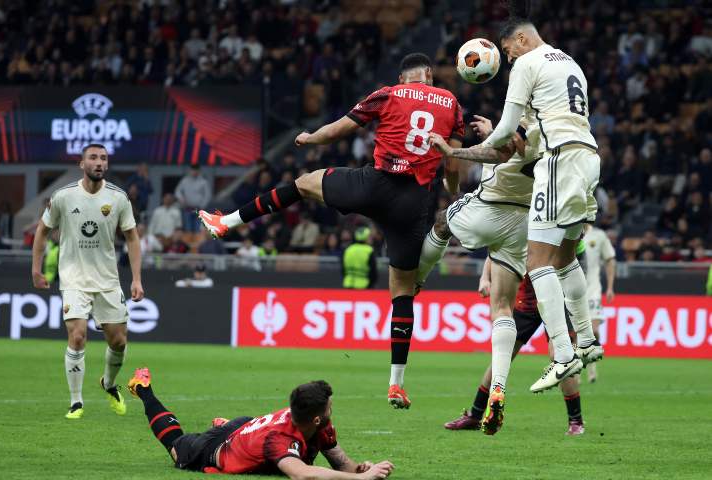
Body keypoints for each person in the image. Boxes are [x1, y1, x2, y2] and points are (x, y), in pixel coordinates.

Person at [198, 53, 464, 409]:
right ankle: (396, 384)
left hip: (374, 185)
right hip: (413, 203)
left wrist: (310, 138)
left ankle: (227, 221)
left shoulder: (389, 93)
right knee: (402, 292)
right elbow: (452, 164)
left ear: (404, 78)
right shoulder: (451, 103)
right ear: (429, 74)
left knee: (303, 184)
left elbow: (340, 128)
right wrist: (452, 190)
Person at [479, 1, 603, 392]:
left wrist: (470, 150)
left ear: (521, 38)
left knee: (537, 262)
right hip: (588, 158)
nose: (508, 59)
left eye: (507, 50)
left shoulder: (527, 63)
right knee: (565, 259)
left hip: (559, 160)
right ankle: (587, 341)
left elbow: (505, 129)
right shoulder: (570, 62)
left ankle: (563, 355)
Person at [422, 113, 536, 434]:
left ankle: (416, 278)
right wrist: (492, 132)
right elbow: (514, 147)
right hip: (522, 221)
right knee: (502, 310)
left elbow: (500, 153)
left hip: (492, 205)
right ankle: (496, 390)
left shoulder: (528, 120)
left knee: (443, 220)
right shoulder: (554, 134)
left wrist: (451, 150)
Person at [31, 143, 144, 419]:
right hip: (74, 278)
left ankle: (109, 383)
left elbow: (132, 238)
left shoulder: (118, 198)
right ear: (82, 164)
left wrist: (136, 279)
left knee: (119, 342)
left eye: (103, 158)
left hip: (107, 280)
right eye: (93, 157)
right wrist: (36, 269)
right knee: (77, 335)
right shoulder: (63, 196)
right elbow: (42, 230)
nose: (99, 162)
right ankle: (76, 402)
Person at [127, 368, 395, 478]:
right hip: (211, 449)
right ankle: (143, 387)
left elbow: (342, 463)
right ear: (316, 418)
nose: (331, 410)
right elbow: (302, 474)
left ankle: (231, 429)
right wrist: (362, 478)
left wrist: (360, 469)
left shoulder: (318, 423)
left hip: (247, 429)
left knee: (247, 436)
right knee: (176, 445)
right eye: (329, 407)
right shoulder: (279, 439)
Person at [444, 259, 585, 436]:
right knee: (502, 355)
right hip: (527, 301)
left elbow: (572, 258)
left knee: (559, 356)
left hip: (557, 299)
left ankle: (576, 421)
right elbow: (494, 250)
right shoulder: (521, 239)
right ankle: (475, 415)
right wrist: (485, 278)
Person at [581, 225, 615, 383]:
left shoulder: (599, 236)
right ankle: (575, 370)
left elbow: (610, 259)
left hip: (593, 289)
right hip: (573, 290)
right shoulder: (568, 231)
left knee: (594, 331)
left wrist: (610, 287)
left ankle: (592, 365)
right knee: (575, 334)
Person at [176, 164, 211, 232]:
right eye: (193, 170)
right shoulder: (185, 181)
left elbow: (207, 196)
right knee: (187, 229)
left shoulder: (203, 182)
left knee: (197, 229)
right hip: (187, 208)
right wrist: (181, 198)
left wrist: (202, 206)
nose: (194, 172)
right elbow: (177, 191)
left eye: (196, 170)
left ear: (199, 171)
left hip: (198, 209)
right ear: (190, 171)